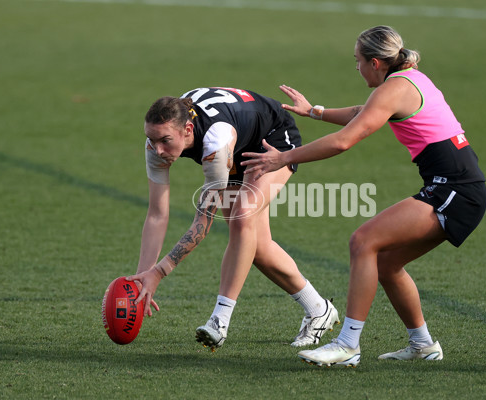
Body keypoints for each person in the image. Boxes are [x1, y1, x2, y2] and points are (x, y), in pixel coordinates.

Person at [242, 26, 486, 367]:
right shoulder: (407, 79)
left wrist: (283, 157)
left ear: (375, 62)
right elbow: (363, 112)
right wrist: (314, 111)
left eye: (358, 61)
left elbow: (344, 141)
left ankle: (347, 345)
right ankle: (423, 344)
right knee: (387, 264)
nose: (356, 68)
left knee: (363, 241)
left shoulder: (395, 88)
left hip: (455, 190)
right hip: (458, 187)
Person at [126, 87, 339, 351]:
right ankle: (319, 309)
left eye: (165, 141)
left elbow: (201, 225)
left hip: (271, 136)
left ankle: (220, 321)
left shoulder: (215, 143)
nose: (157, 150)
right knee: (255, 246)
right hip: (237, 143)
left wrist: (160, 272)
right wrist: (141, 280)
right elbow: (157, 214)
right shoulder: (157, 142)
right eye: (151, 139)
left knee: (241, 219)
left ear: (188, 130)